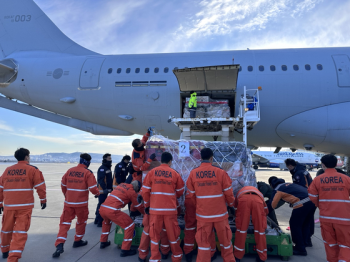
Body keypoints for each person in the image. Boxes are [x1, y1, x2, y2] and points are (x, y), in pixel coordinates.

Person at [186, 148, 235, 262]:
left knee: (203, 245)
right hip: (220, 215)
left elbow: (191, 195)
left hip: (203, 216)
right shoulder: (220, 172)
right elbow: (229, 192)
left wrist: (200, 205)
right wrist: (231, 205)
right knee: (226, 244)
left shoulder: (193, 173)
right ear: (212, 158)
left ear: (201, 158)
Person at [0, 148, 47, 261]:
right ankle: (13, 257)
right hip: (24, 207)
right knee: (20, 232)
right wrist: (43, 199)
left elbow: (1, 187)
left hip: (9, 206)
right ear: (26, 157)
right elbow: (40, 186)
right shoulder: (32, 169)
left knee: (6, 229)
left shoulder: (8, 170)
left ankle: (5, 251)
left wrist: (0, 202)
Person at [52, 153, 100, 258]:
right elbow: (93, 188)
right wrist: (97, 194)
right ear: (88, 162)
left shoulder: (70, 170)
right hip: (81, 204)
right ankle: (77, 240)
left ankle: (60, 244)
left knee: (64, 223)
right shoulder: (88, 173)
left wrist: (67, 195)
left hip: (69, 203)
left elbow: (63, 184)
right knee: (81, 222)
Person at [142, 152, 185, 262]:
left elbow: (145, 191)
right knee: (173, 235)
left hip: (155, 210)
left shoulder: (152, 172)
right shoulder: (174, 174)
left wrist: (147, 205)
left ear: (161, 161)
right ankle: (176, 257)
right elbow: (180, 191)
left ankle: (155, 258)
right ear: (170, 162)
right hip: (170, 211)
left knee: (155, 236)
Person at [308, 154, 350, 262]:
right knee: (345, 244)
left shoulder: (318, 179)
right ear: (336, 164)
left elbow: (312, 196)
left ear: (323, 165)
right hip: (344, 218)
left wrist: (321, 205)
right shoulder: (346, 179)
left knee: (330, 243)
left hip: (326, 217)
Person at [269, 176, 315, 256]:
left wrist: (263, 213)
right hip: (313, 201)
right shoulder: (287, 184)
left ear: (271, 185)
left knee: (295, 225)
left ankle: (300, 249)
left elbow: (272, 205)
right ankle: (306, 242)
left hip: (302, 203)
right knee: (305, 224)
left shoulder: (278, 189)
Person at [99, 180, 144, 257]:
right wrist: (145, 213)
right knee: (129, 225)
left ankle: (103, 242)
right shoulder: (132, 192)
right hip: (112, 211)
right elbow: (138, 206)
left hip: (103, 208)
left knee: (107, 223)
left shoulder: (121, 184)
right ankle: (125, 250)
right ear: (137, 188)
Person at [284, 158, 315, 246]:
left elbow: (300, 189)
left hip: (304, 200)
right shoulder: (303, 171)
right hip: (312, 199)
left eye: (287, 167)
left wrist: (294, 200)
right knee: (307, 221)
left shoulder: (298, 174)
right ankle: (307, 240)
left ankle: (300, 245)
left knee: (296, 223)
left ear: (290, 166)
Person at [233, 186, 268, 262]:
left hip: (243, 201)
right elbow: (265, 210)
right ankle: (262, 257)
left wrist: (239, 217)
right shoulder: (259, 193)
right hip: (258, 202)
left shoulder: (240, 192)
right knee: (260, 231)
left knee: (241, 230)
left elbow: (236, 208)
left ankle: (237, 257)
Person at [137, 187, 171, 262]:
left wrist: (141, 196)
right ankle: (164, 252)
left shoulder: (151, 176)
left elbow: (145, 189)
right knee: (163, 230)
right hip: (164, 208)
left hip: (152, 208)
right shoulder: (171, 175)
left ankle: (142, 255)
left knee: (147, 232)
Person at [183, 189, 217, 262]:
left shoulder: (191, 177)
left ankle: (188, 253)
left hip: (190, 197)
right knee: (207, 227)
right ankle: (210, 253)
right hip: (203, 198)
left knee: (190, 227)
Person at [95, 153, 113, 227]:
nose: (110, 160)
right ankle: (100, 221)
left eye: (110, 158)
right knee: (101, 205)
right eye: (109, 158)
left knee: (100, 204)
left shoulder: (107, 167)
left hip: (106, 190)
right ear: (105, 159)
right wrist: (105, 189)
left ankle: (97, 219)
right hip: (102, 190)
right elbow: (100, 180)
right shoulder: (102, 168)